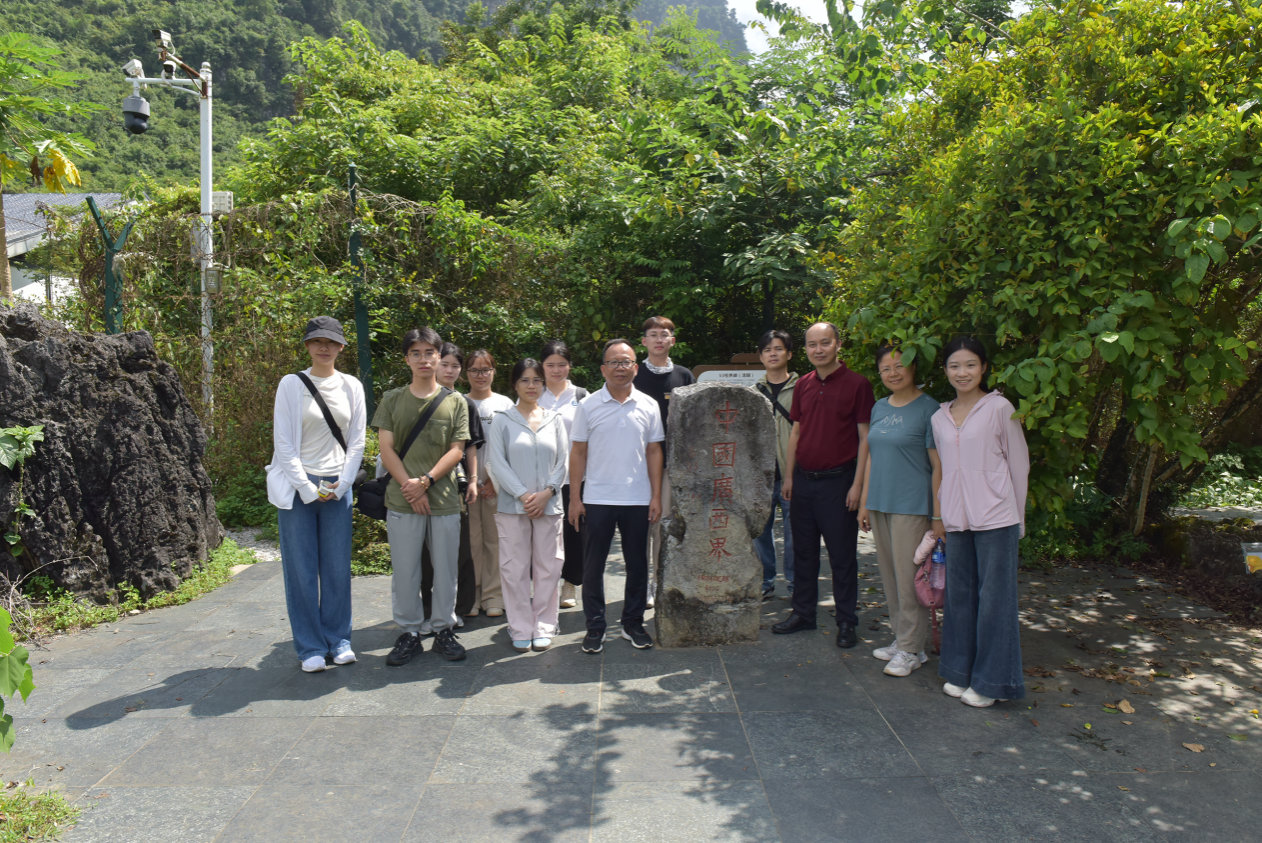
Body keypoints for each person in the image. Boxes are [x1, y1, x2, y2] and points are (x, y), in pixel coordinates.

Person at [931, 337, 1029, 707]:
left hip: (997, 517)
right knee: (959, 597)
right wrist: (941, 514)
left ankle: (992, 682)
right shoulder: (939, 417)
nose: (963, 372)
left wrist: (1018, 517)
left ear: (984, 368)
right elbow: (943, 469)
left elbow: (1019, 464)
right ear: (945, 370)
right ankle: (959, 672)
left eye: (970, 364)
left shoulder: (1000, 408)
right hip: (958, 519)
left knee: (995, 601)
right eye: (954, 366)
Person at [267, 316, 367, 673]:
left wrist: (344, 483)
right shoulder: (291, 384)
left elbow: (357, 441)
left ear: (341, 347)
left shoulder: (352, 385)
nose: (324, 347)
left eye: (331, 342)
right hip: (299, 488)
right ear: (308, 345)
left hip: (339, 485)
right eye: (317, 341)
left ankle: (339, 640)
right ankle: (310, 646)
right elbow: (283, 443)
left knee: (337, 568)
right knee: (301, 570)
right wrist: (307, 489)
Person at [773, 322, 875, 648]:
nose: (818, 350)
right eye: (812, 344)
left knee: (842, 556)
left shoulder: (858, 385)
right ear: (805, 349)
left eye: (825, 343)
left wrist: (858, 485)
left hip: (839, 483)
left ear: (838, 344)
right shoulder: (802, 384)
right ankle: (803, 613)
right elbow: (796, 432)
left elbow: (865, 438)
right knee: (803, 553)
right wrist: (789, 476)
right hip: (803, 482)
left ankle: (846, 620)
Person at [374, 327, 471, 664]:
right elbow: (386, 449)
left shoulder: (455, 401)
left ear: (438, 356)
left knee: (446, 570)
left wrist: (426, 481)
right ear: (406, 360)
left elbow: (457, 450)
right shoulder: (392, 399)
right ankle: (410, 633)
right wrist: (411, 487)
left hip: (443, 499)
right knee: (405, 571)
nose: (423, 359)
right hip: (402, 499)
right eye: (415, 353)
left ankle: (444, 629)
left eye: (429, 353)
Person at [569, 339, 664, 654]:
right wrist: (575, 498)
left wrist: (656, 496)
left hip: (637, 498)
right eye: (613, 362)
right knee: (593, 566)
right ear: (603, 369)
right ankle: (595, 626)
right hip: (597, 497)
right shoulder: (588, 405)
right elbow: (578, 452)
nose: (620, 367)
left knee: (637, 564)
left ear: (635, 367)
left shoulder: (648, 404)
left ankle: (633, 623)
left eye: (625, 362)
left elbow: (654, 451)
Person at [857, 344, 943, 678]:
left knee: (910, 580)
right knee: (891, 577)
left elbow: (938, 466)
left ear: (913, 367)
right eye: (885, 368)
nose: (893, 373)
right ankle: (903, 640)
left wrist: (937, 515)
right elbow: (871, 457)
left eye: (899, 365)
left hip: (912, 505)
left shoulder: (929, 409)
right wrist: (865, 502)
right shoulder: (879, 407)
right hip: (881, 503)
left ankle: (911, 648)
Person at [488, 358, 569, 652]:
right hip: (513, 506)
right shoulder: (502, 420)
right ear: (514, 384)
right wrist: (524, 495)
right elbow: (497, 462)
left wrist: (547, 493)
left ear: (543, 385)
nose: (531, 385)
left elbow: (563, 461)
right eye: (525, 380)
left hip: (549, 505)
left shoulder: (554, 419)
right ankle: (520, 626)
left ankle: (545, 625)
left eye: (536, 380)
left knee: (549, 567)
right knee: (514, 569)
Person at [632, 316, 694, 608]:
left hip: (669, 464)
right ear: (644, 341)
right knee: (637, 528)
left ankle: (658, 581)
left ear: (673, 340)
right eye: (653, 334)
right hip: (634, 463)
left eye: (664, 334)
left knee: (661, 525)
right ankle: (640, 583)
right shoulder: (632, 374)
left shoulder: (684, 375)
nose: (659, 339)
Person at [539, 340, 589, 608]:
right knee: (545, 534)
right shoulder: (533, 394)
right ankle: (546, 585)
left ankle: (570, 584)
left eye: (562, 364)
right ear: (542, 367)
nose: (556, 370)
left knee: (573, 533)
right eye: (550, 365)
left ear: (570, 366)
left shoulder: (582, 396)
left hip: (574, 478)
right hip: (541, 478)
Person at [465, 349, 514, 617]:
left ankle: (494, 595)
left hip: (498, 485)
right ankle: (472, 595)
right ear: (466, 373)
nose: (480, 375)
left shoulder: (505, 404)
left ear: (494, 372)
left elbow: (511, 447)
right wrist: (472, 480)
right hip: (468, 486)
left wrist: (495, 480)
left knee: (496, 541)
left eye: (485, 369)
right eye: (474, 370)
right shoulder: (459, 401)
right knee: (471, 541)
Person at [752, 329, 797, 600]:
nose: (773, 354)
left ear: (789, 354)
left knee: (795, 533)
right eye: (767, 350)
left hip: (794, 472)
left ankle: (795, 582)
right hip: (762, 476)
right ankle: (764, 581)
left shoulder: (803, 388)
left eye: (778, 349)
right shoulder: (753, 393)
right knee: (760, 531)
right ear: (760, 356)